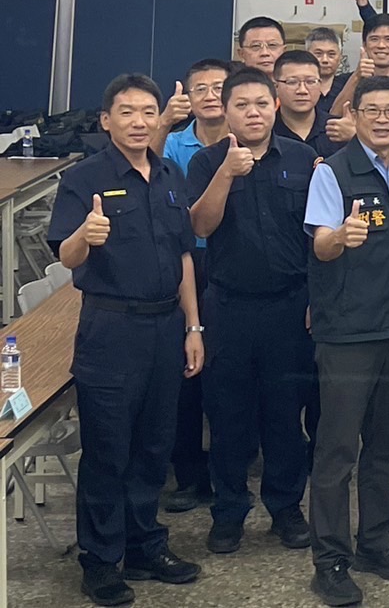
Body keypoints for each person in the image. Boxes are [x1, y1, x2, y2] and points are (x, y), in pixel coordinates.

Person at [48, 73, 204, 607]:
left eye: (148, 112)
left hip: (166, 327)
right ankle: (100, 560)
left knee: (154, 446)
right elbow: (65, 257)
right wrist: (83, 237)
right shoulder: (84, 178)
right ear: (106, 120)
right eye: (127, 112)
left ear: (160, 117)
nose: (139, 122)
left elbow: (183, 255)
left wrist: (193, 326)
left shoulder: (169, 174)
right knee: (108, 451)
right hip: (111, 329)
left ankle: (143, 546)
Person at [303, 75, 389, 606]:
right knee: (337, 450)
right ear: (353, 116)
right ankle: (330, 560)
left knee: (387, 446)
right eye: (372, 110)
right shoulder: (332, 172)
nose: (383, 119)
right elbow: (320, 245)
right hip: (348, 332)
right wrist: (340, 237)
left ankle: (376, 543)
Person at [186, 68, 316, 555]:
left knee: (285, 415)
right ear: (226, 110)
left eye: (262, 103)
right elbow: (200, 225)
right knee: (228, 417)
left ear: (275, 106)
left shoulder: (304, 159)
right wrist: (226, 173)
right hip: (229, 307)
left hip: (290, 307)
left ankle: (286, 509)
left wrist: (315, 300)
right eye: (242, 105)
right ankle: (229, 513)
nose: (253, 113)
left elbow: (318, 235)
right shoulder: (206, 162)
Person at [159, 57, 231, 515]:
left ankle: (229, 471)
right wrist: (164, 121)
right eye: (199, 88)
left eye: (218, 87)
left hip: (230, 260)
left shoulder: (246, 141)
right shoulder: (173, 144)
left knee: (226, 372)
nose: (209, 95)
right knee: (185, 371)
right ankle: (189, 475)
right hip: (184, 260)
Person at [273, 51, 336, 157]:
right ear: (276, 87)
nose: (302, 90)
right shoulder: (266, 132)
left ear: (320, 85)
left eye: (310, 82)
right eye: (292, 82)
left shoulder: (336, 129)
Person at [305, 27, 349, 115]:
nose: (325, 60)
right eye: (318, 54)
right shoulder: (299, 86)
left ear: (340, 57)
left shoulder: (348, 84)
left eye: (331, 54)